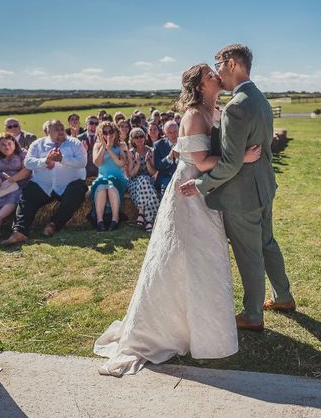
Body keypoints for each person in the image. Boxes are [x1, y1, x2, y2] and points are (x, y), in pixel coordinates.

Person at [95, 62, 261, 376]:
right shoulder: (195, 115)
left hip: (207, 192)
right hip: (191, 192)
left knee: (205, 259)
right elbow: (200, 160)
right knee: (187, 257)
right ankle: (172, 327)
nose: (217, 75)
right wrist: (244, 157)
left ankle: (200, 324)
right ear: (199, 86)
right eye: (210, 75)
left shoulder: (216, 110)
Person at [180, 44, 295, 331]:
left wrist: (200, 184)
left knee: (249, 254)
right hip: (264, 187)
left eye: (219, 65)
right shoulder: (258, 98)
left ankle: (253, 315)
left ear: (231, 64)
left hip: (242, 196)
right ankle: (283, 296)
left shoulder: (235, 107)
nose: (218, 72)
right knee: (267, 243)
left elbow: (231, 164)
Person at [1, 120, 87, 246]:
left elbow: (82, 162)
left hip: (68, 184)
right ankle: (19, 232)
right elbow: (28, 163)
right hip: (43, 184)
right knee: (27, 194)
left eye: (61, 128)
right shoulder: (38, 144)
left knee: (78, 190)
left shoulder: (75, 143)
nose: (60, 132)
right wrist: (45, 161)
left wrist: (62, 159)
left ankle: (53, 224)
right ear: (48, 132)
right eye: (56, 129)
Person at [0, 134, 31, 239]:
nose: (6, 147)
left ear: (14, 142)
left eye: (9, 143)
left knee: (13, 196)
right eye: (3, 144)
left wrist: (13, 179)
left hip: (18, 184)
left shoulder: (23, 153)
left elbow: (27, 171)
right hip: (1, 185)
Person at [90, 121, 128, 231]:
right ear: (100, 133)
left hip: (118, 178)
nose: (108, 134)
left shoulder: (121, 145)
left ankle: (115, 218)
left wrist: (110, 149)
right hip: (102, 178)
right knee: (101, 185)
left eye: (110, 131)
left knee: (111, 185)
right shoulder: (97, 146)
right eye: (104, 132)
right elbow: (97, 163)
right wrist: (104, 146)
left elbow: (122, 163)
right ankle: (99, 220)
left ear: (115, 132)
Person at [127, 127, 159, 232]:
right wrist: (138, 164)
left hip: (149, 181)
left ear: (145, 137)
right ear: (132, 140)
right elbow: (131, 174)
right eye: (136, 137)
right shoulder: (130, 153)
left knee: (144, 179)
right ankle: (149, 220)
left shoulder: (151, 151)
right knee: (142, 179)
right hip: (135, 183)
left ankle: (141, 213)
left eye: (141, 136)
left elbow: (153, 173)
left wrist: (148, 162)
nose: (139, 139)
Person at [153, 121, 179, 196]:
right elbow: (158, 166)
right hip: (166, 176)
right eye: (170, 133)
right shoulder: (158, 145)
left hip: (182, 175)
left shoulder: (185, 143)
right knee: (168, 186)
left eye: (175, 132)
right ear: (165, 133)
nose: (174, 135)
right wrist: (169, 157)